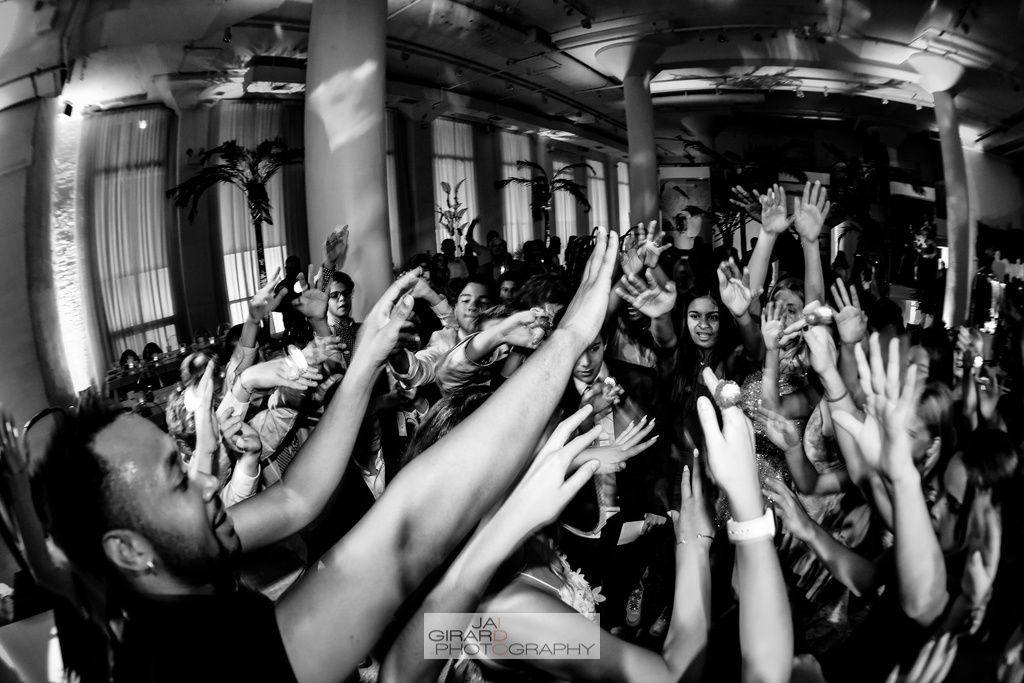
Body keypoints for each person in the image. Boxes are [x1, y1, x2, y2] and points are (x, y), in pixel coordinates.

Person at [36, 229, 621, 682]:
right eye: (178, 477)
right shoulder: (201, 664)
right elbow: (400, 573)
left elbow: (296, 497)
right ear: (131, 551)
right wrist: (566, 342)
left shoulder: (177, 569)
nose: (208, 482)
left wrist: (362, 366)